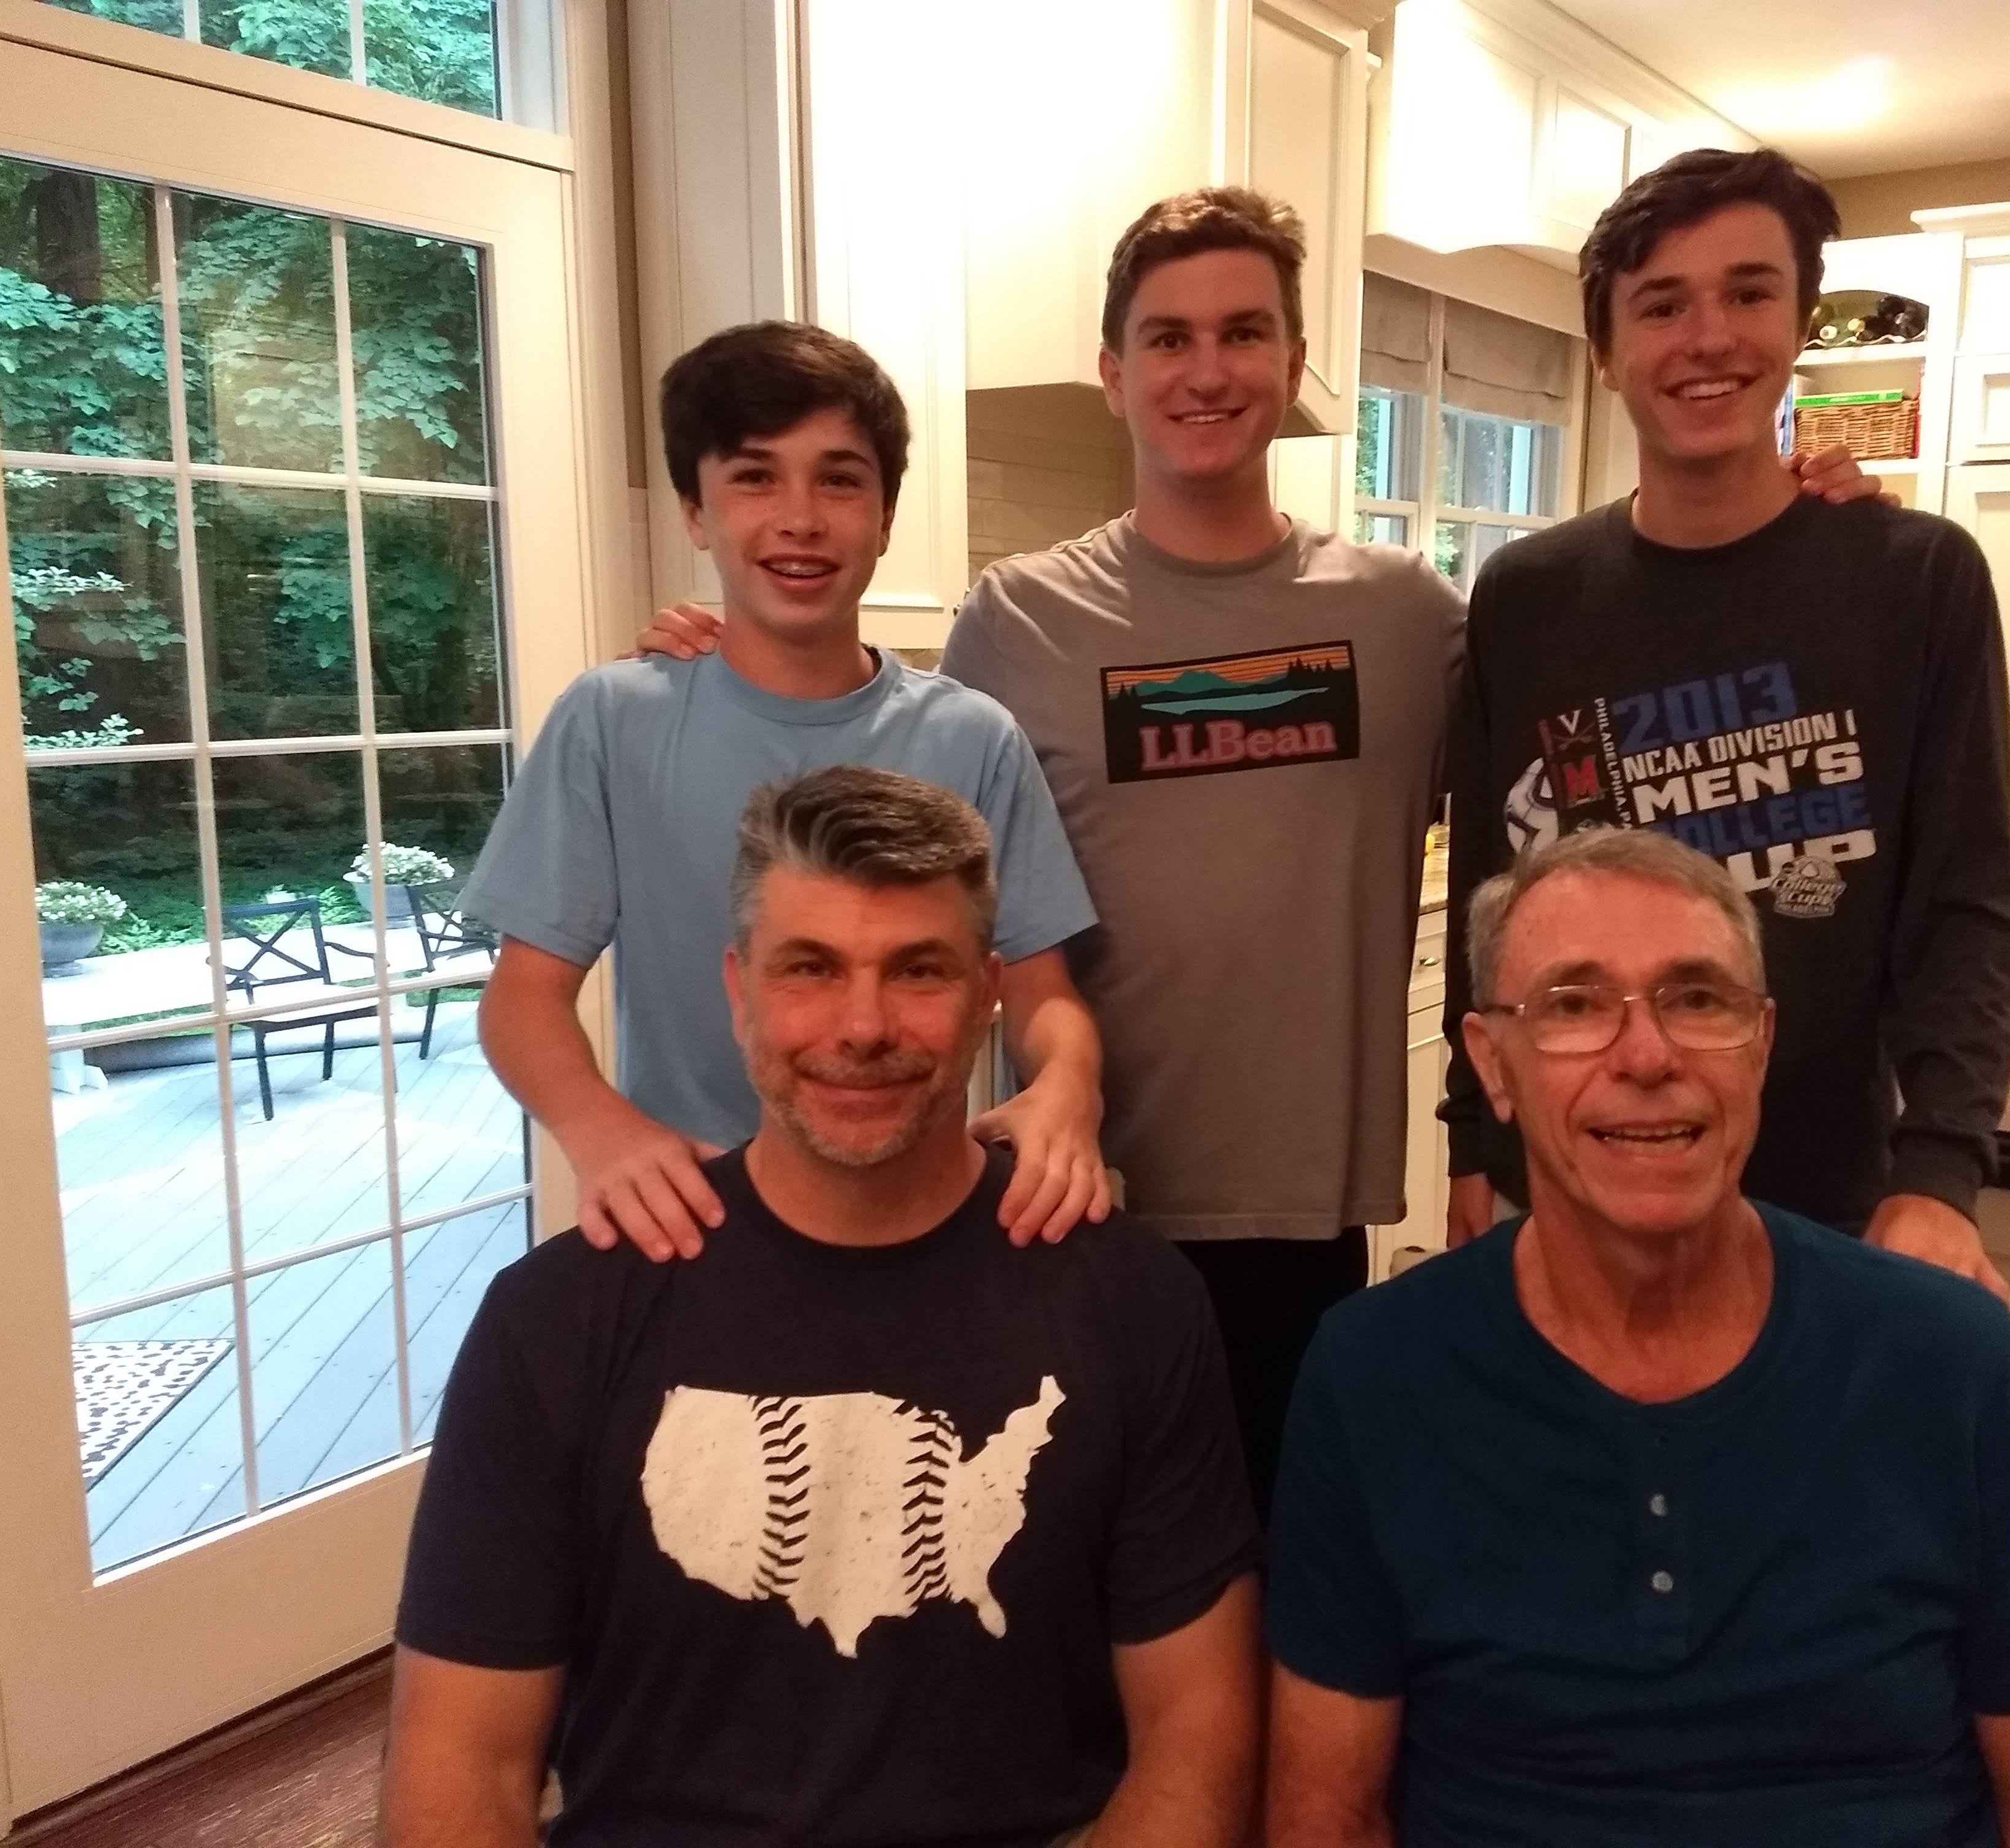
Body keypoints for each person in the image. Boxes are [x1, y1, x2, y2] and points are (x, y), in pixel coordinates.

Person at [632, 191, 1884, 1518]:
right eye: (1167, 338)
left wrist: (1782, 528)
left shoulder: (1408, 619)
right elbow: (876, 832)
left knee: (1291, 1564)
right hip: (1069, 1196)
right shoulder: (1018, 619)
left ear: (1293, 367)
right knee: (1063, 1558)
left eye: (1243, 333)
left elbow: (1604, 748)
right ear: (1113, 373)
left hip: (1304, 1217)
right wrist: (730, 661)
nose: (1207, 370)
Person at [383, 767, 1263, 1848]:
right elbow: (460, 1762)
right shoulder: (558, 1318)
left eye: (918, 970)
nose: (863, 1025)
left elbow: (1197, 1735)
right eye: (810, 967)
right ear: (738, 989)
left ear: (989, 994)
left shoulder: (1131, 1297)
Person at [1265, 826, 2010, 1847]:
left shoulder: (1950, 1361)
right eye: (1573, 1005)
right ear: (1493, 1065)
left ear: (1761, 1044)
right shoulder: (1375, 1375)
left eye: (1697, 999)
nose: (1647, 1056)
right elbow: (1326, 1812)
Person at [1441, 147, 2010, 1299]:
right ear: (1606, 351)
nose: (1708, 337)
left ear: (1798, 324)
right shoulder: (1527, 595)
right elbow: (1486, 893)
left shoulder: (1914, 579)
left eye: (1748, 293)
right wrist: (1475, 1137)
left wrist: (1940, 1168)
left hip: (1828, 1204)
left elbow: (1966, 901)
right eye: (1662, 305)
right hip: (1566, 1191)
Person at [463, 321, 1109, 1263]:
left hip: (924, 1214)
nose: (800, 518)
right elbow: (524, 996)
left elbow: (1045, 993)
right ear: (695, 512)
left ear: (886, 517)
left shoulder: (975, 738)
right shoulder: (615, 721)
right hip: (694, 1218)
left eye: (840, 480)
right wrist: (599, 1128)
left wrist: (1069, 1085)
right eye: (755, 478)